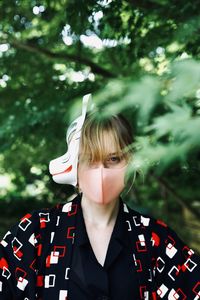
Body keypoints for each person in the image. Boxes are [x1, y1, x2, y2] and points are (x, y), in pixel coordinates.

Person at [0, 95, 199, 300]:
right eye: (89, 160)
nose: (101, 172)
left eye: (113, 159)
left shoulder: (155, 239)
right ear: (71, 167)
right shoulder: (35, 232)